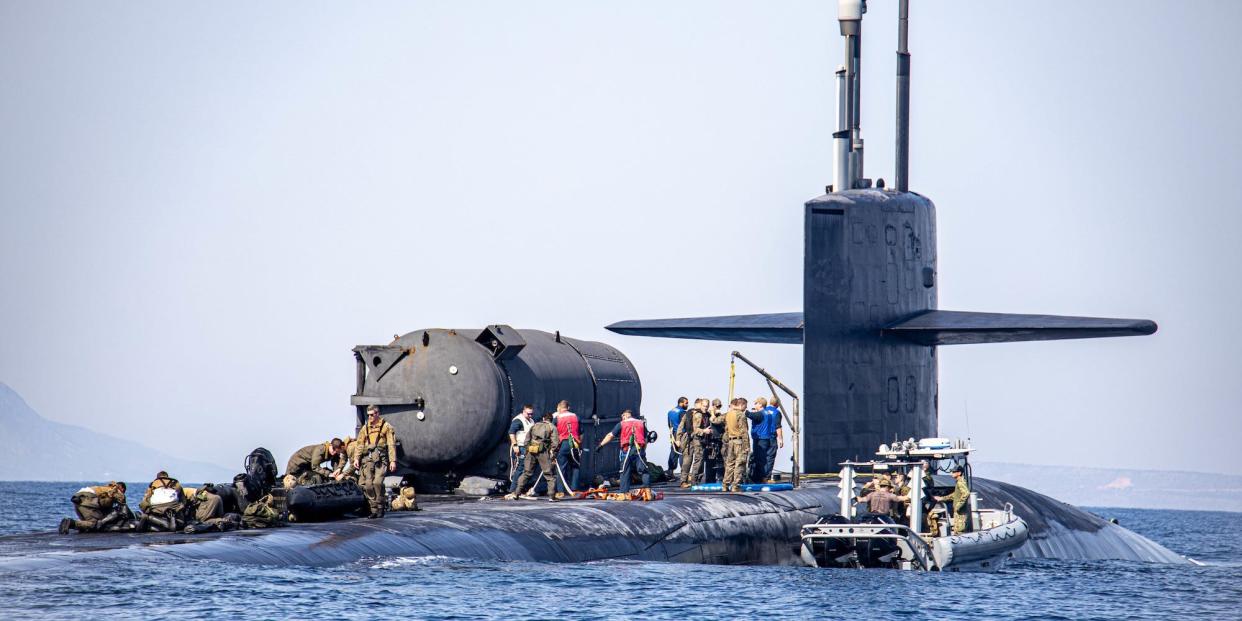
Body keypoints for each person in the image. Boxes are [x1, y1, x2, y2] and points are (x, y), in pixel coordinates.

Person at [355, 405, 398, 518]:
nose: (369, 417)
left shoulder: (386, 427)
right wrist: (356, 458)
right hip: (368, 459)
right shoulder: (365, 428)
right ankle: (373, 509)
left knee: (377, 483)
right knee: (368, 485)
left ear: (377, 414)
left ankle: (380, 507)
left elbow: (391, 445)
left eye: (372, 415)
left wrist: (392, 461)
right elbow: (359, 444)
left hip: (381, 460)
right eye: (368, 415)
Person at [507, 411, 559, 501]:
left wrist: (528, 449)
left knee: (526, 473)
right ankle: (552, 496)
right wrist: (553, 454)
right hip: (543, 452)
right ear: (551, 420)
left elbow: (527, 439)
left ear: (543, 418)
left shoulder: (534, 425)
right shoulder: (552, 427)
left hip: (531, 450)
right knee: (549, 474)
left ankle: (516, 493)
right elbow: (555, 443)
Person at [598, 409, 650, 492]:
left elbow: (610, 436)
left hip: (627, 450)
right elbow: (646, 438)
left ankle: (624, 491)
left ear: (624, 415)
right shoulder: (641, 423)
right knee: (643, 469)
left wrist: (600, 445)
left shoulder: (621, 424)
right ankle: (647, 489)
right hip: (639, 450)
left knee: (625, 471)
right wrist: (644, 450)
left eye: (622, 416)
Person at [59, 481, 131, 534]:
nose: (123, 492)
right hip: (88, 498)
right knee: (94, 524)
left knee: (85, 524)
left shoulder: (104, 488)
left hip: (78, 497)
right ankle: (71, 523)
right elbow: (123, 505)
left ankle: (68, 526)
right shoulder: (116, 490)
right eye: (123, 491)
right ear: (121, 488)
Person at [748, 397, 784, 483]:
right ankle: (766, 477)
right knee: (769, 457)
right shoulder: (776, 413)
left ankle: (757, 477)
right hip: (770, 437)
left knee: (759, 457)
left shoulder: (763, 411)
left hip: (760, 437)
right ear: (777, 404)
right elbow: (778, 427)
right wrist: (780, 439)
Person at [679, 399, 711, 487]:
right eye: (704, 406)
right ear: (700, 405)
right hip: (696, 439)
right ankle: (694, 481)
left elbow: (681, 426)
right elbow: (695, 429)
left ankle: (684, 481)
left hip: (690, 439)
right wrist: (704, 431)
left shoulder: (692, 413)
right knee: (697, 460)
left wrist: (678, 438)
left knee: (689, 461)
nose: (706, 408)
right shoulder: (699, 415)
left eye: (707, 406)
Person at [721, 398, 751, 492]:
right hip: (739, 442)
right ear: (742, 405)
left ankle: (725, 485)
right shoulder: (741, 415)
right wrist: (747, 446)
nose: (746, 408)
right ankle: (736, 486)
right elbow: (744, 432)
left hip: (730, 442)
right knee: (740, 464)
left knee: (730, 464)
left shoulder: (729, 414)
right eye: (745, 406)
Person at [553, 400, 581, 497]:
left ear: (559, 408)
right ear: (568, 407)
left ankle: (560, 491)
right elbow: (581, 432)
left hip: (563, 443)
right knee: (576, 466)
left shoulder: (557, 418)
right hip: (575, 443)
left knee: (561, 467)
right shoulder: (576, 417)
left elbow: (553, 433)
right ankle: (574, 489)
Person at [935, 467, 972, 534]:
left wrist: (958, 505)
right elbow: (955, 495)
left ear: (959, 473)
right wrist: (942, 498)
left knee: (960, 530)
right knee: (957, 529)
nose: (952, 473)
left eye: (954, 472)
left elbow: (966, 493)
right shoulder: (958, 482)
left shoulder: (960, 482)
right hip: (958, 511)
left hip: (960, 512)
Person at [508, 405, 535, 493]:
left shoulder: (531, 421)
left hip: (528, 447)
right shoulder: (518, 420)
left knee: (527, 468)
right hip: (520, 447)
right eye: (528, 414)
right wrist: (515, 445)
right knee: (520, 468)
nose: (530, 415)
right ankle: (513, 489)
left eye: (531, 414)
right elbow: (511, 433)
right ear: (524, 411)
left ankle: (521, 488)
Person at [666, 397, 689, 479]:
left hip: (673, 434)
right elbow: (685, 424)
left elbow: (669, 424)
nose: (687, 405)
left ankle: (670, 472)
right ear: (681, 403)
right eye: (686, 403)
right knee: (682, 453)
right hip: (681, 434)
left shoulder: (670, 411)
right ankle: (684, 474)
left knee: (673, 452)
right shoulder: (682, 412)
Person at [705, 398, 726, 483]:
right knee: (710, 461)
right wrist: (712, 413)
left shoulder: (720, 415)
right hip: (711, 440)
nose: (718, 408)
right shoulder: (708, 415)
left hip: (719, 439)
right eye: (716, 406)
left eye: (719, 406)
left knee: (721, 460)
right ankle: (710, 479)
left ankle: (720, 477)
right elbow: (712, 421)